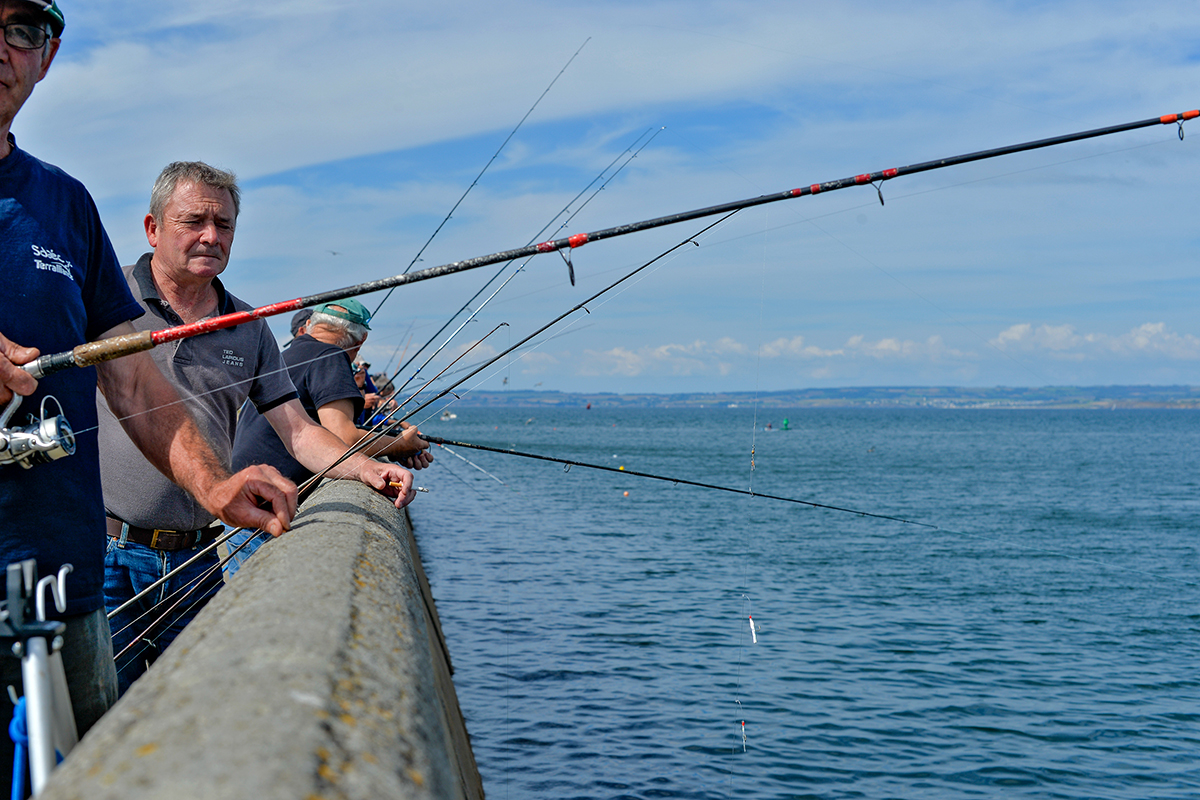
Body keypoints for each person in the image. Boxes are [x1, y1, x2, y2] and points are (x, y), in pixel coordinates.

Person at [0, 1, 296, 784]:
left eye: (22, 29)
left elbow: (129, 372)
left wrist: (216, 484)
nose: (3, 46)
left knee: (101, 772)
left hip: (65, 583)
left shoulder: (65, 205)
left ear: (48, 56)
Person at [98, 162, 417, 694]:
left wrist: (366, 466)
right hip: (103, 557)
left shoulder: (248, 327)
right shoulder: (106, 307)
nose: (210, 236)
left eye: (223, 225)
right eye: (193, 221)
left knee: (199, 709)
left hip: (195, 560)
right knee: (96, 723)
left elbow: (297, 430)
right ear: (152, 228)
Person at [227, 300, 433, 573]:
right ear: (361, 341)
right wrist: (401, 444)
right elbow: (344, 437)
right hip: (269, 504)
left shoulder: (285, 355)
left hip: (243, 493)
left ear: (309, 325)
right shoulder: (332, 358)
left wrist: (398, 447)